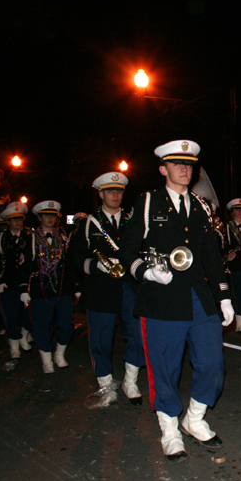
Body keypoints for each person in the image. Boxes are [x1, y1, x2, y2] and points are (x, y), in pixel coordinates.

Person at [120, 139, 234, 463]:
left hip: (199, 297)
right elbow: (127, 250)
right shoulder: (147, 203)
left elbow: (213, 256)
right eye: (177, 164)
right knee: (164, 369)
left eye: (189, 164)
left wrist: (224, 297)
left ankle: (194, 419)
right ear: (163, 169)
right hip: (161, 298)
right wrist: (145, 272)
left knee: (213, 364)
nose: (184, 169)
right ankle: (170, 429)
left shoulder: (200, 205)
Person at [71, 172, 145, 405]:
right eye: (111, 191)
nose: (116, 195)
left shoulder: (134, 220)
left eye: (119, 191)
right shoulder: (88, 223)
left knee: (138, 335)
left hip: (129, 287)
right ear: (101, 194)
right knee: (101, 339)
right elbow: (75, 257)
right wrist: (96, 266)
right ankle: (105, 383)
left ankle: (130, 381)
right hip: (101, 288)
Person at [25, 200, 75, 374]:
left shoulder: (62, 236)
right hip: (41, 289)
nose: (50, 218)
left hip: (62, 288)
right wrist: (24, 289)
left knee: (66, 324)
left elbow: (69, 263)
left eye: (53, 215)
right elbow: (26, 265)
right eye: (46, 215)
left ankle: (59, 354)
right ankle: (46, 359)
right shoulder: (31, 237)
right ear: (39, 217)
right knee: (41, 325)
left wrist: (74, 286)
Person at [0, 202, 33, 359]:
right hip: (8, 284)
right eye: (13, 220)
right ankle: (14, 347)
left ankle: (24, 336)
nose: (17, 223)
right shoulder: (1, 238)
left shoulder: (29, 237)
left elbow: (30, 261)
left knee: (28, 316)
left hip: (26, 283)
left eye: (19, 219)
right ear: (7, 222)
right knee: (10, 316)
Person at [224, 198, 241, 332]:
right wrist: (227, 256)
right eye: (236, 209)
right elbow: (223, 246)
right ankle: (240, 322)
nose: (239, 212)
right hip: (235, 265)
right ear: (232, 212)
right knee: (238, 293)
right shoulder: (228, 227)